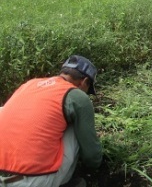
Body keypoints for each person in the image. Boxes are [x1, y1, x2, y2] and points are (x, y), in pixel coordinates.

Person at [0, 55, 103, 187]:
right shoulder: (77, 96)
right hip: (34, 180)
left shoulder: (29, 84)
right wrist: (95, 164)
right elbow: (92, 158)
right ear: (84, 82)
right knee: (74, 124)